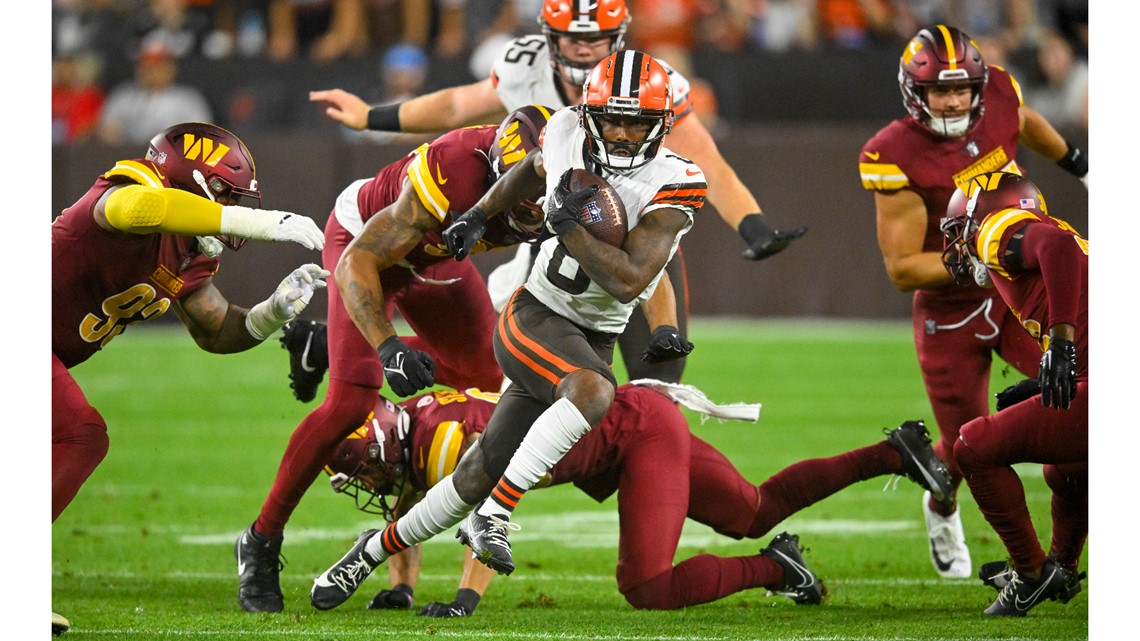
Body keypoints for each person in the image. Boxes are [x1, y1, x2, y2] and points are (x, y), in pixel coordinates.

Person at [307, 50, 713, 610]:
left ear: (663, 125)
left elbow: (636, 277)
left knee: (475, 472)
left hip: (591, 329)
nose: (619, 133)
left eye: (635, 121)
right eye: (611, 118)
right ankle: (495, 516)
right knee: (595, 389)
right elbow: (529, 169)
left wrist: (658, 320)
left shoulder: (677, 180)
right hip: (536, 317)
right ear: (588, 113)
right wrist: (477, 215)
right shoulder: (566, 131)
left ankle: (371, 552)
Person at [302, 0, 807, 396]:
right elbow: (457, 104)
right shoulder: (527, 75)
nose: (585, 51)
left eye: (596, 39)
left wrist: (751, 224)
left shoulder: (654, 84)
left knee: (660, 372)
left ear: (619, 37)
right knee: (537, 357)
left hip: (620, 214)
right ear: (549, 37)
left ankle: (635, 428)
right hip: (547, 212)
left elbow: (707, 163)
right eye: (573, 37)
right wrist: (372, 117)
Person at [237, 105, 595, 612]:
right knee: (350, 404)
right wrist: (387, 347)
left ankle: (322, 347)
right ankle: (260, 541)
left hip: (437, 254)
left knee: (493, 378)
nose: (530, 207)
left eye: (539, 192)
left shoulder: (581, 179)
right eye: (520, 188)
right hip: (368, 241)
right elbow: (359, 261)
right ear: (498, 170)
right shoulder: (454, 172)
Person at [313, 379, 953, 614]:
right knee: (752, 510)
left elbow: (479, 515)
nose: (370, 488)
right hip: (632, 422)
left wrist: (461, 599)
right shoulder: (419, 419)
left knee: (646, 587)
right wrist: (396, 581)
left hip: (633, 437)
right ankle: (893, 452)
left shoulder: (447, 443)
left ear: (383, 449)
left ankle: (776, 568)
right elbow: (416, 502)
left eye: (365, 476)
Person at [53, 122, 328, 631]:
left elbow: (215, 327)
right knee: (79, 434)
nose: (234, 210)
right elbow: (136, 210)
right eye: (226, 195)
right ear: (188, 179)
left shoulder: (191, 249)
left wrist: (271, 313)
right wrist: (258, 221)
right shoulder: (134, 188)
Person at [857, 24, 1088, 580]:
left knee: (1074, 406)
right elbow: (902, 268)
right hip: (950, 310)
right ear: (916, 93)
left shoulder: (1002, 95)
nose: (954, 99)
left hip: (1015, 303)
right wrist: (983, 258)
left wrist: (1079, 163)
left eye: (962, 88)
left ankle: (1056, 559)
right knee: (965, 446)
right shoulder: (893, 152)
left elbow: (1024, 120)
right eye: (939, 90)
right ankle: (941, 505)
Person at [940, 171, 1087, 616]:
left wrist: (1061, 342)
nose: (959, 247)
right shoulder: (1061, 234)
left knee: (972, 447)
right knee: (1066, 468)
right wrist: (1054, 372)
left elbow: (1055, 249)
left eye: (958, 233)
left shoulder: (994, 229)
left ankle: (1031, 573)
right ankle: (1059, 567)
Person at [96, 40, 214, 145]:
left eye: (157, 65)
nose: (150, 71)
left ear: (171, 68)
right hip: (129, 162)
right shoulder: (122, 97)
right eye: (145, 65)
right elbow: (105, 132)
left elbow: (205, 138)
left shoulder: (188, 100)